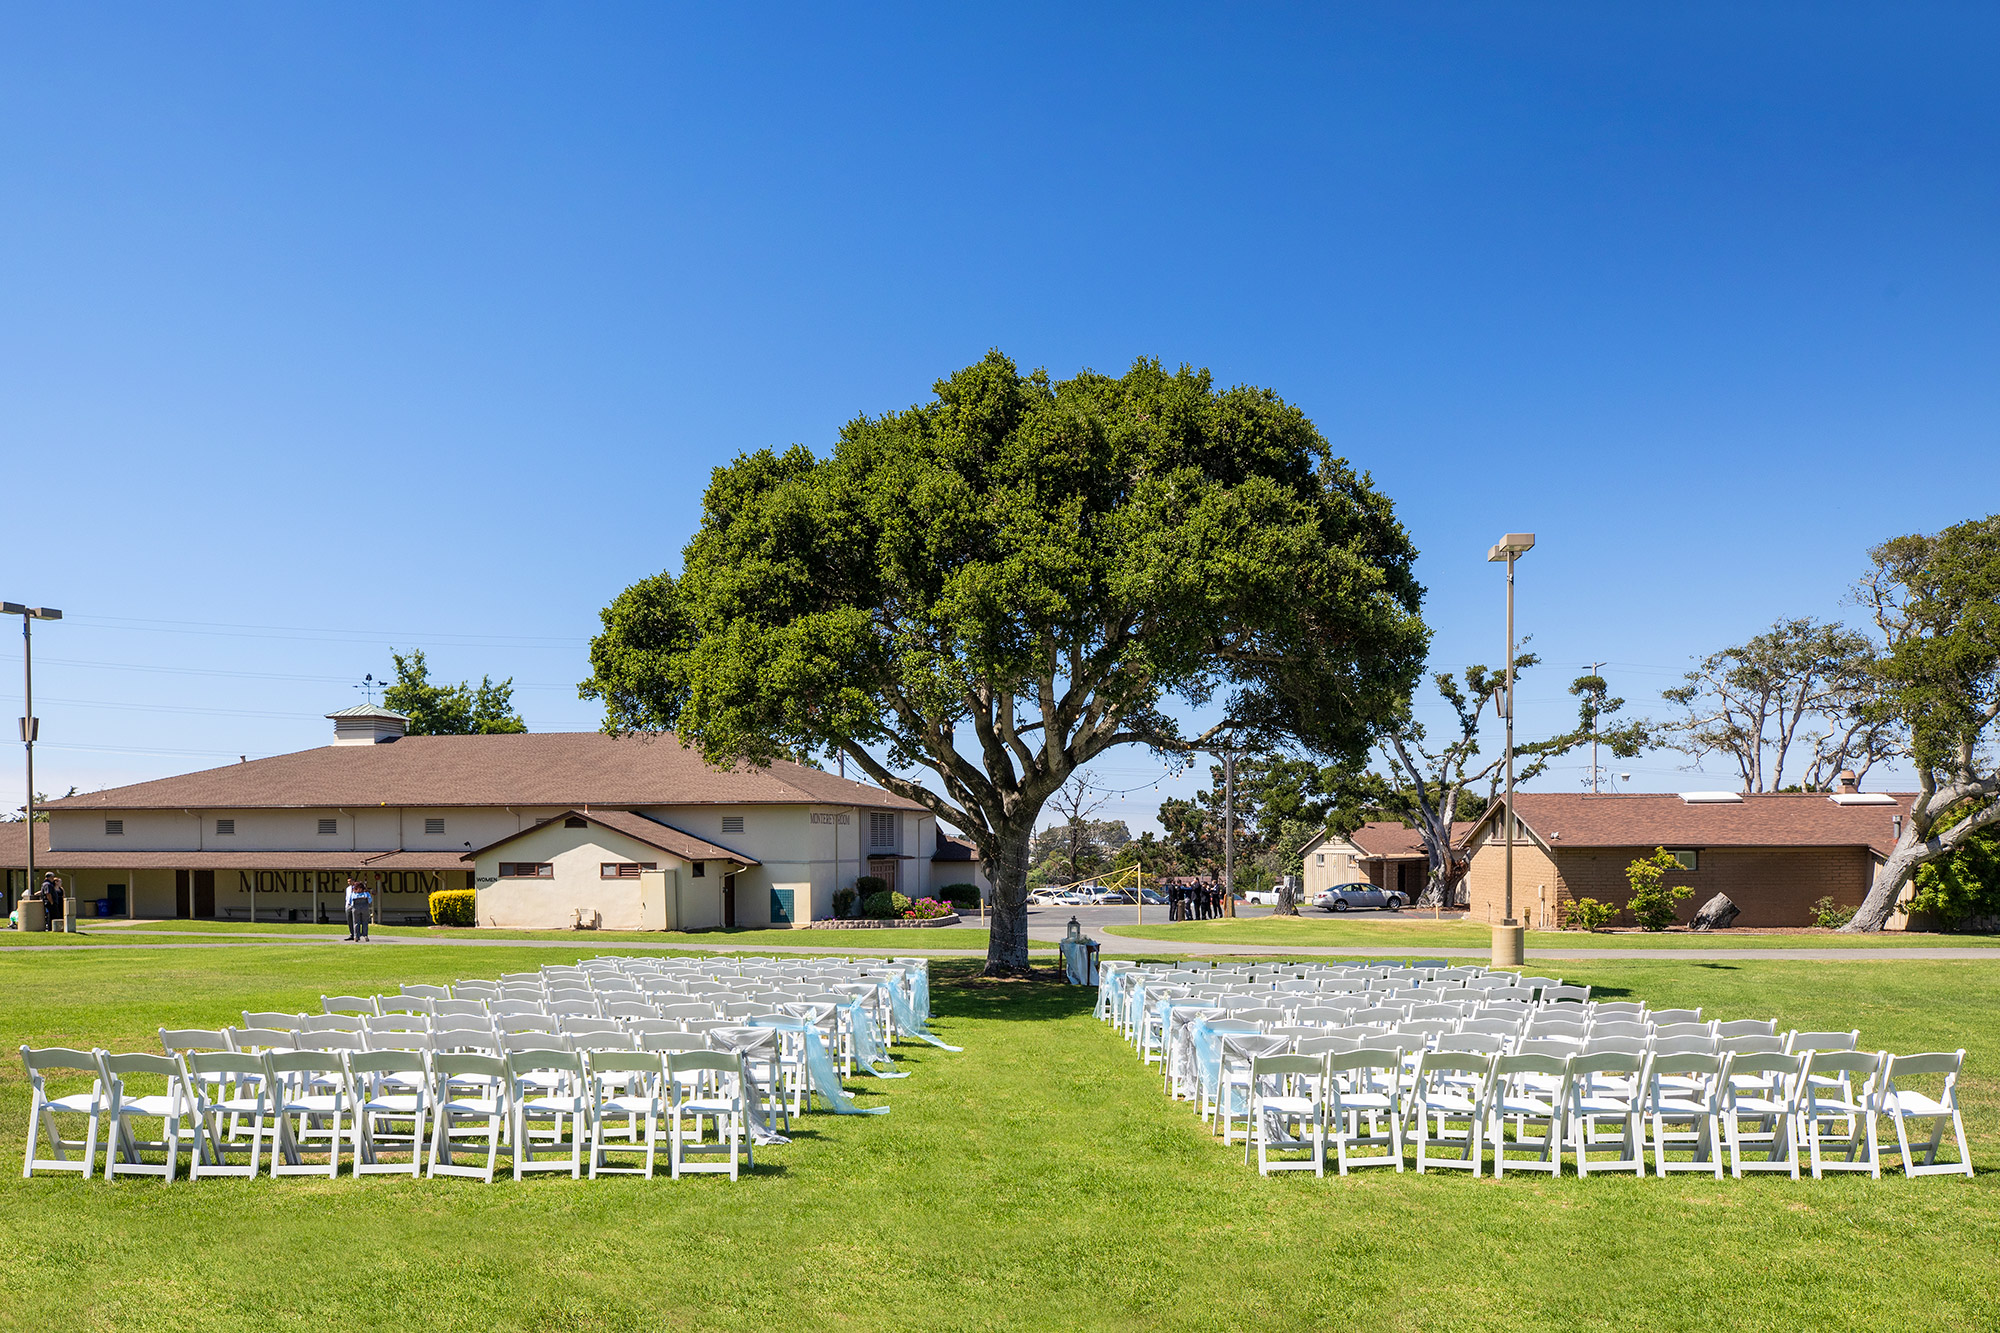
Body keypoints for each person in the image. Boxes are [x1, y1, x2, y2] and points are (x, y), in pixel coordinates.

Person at [344, 877, 373, 942]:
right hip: (364, 908)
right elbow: (370, 901)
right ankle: (365, 935)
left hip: (355, 908)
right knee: (365, 922)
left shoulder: (353, 894)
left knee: (356, 922)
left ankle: (356, 936)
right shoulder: (366, 893)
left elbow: (350, 902)